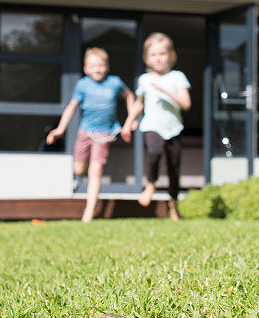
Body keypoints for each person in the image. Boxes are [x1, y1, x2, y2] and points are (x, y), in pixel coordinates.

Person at [47, 47, 135, 223]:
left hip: (104, 134)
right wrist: (60, 129)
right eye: (93, 66)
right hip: (85, 132)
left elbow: (129, 95)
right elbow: (71, 107)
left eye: (101, 65)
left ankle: (89, 211)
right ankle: (78, 177)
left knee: (95, 171)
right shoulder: (82, 85)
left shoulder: (114, 82)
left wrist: (130, 121)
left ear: (107, 66)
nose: (97, 69)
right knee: (79, 169)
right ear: (86, 69)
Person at [121, 32, 191, 221]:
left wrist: (166, 91)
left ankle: (173, 204)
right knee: (154, 151)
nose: (158, 58)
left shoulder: (177, 77)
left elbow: (186, 104)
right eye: (153, 55)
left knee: (174, 167)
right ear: (146, 58)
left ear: (171, 56)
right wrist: (127, 124)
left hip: (174, 128)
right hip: (151, 125)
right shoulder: (145, 79)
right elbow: (139, 104)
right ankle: (150, 183)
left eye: (162, 54)